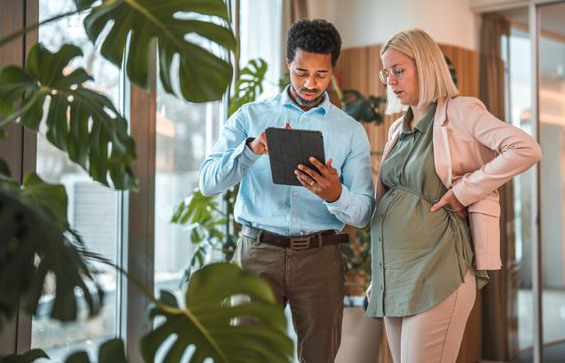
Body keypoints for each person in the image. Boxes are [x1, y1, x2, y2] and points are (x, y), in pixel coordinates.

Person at [199, 19, 374, 363]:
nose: (310, 83)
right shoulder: (250, 117)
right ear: (287, 64)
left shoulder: (350, 131)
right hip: (256, 254)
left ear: (332, 70)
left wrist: (335, 194)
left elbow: (365, 212)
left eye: (321, 74)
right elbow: (208, 181)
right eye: (301, 72)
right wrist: (249, 151)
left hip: (320, 259)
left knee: (319, 357)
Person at [365, 28, 541, 363]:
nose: (390, 80)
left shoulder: (460, 112)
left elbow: (525, 148)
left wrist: (464, 191)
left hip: (439, 269)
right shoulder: (396, 129)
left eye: (398, 70)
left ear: (426, 66)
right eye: (386, 72)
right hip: (395, 276)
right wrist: (380, 275)